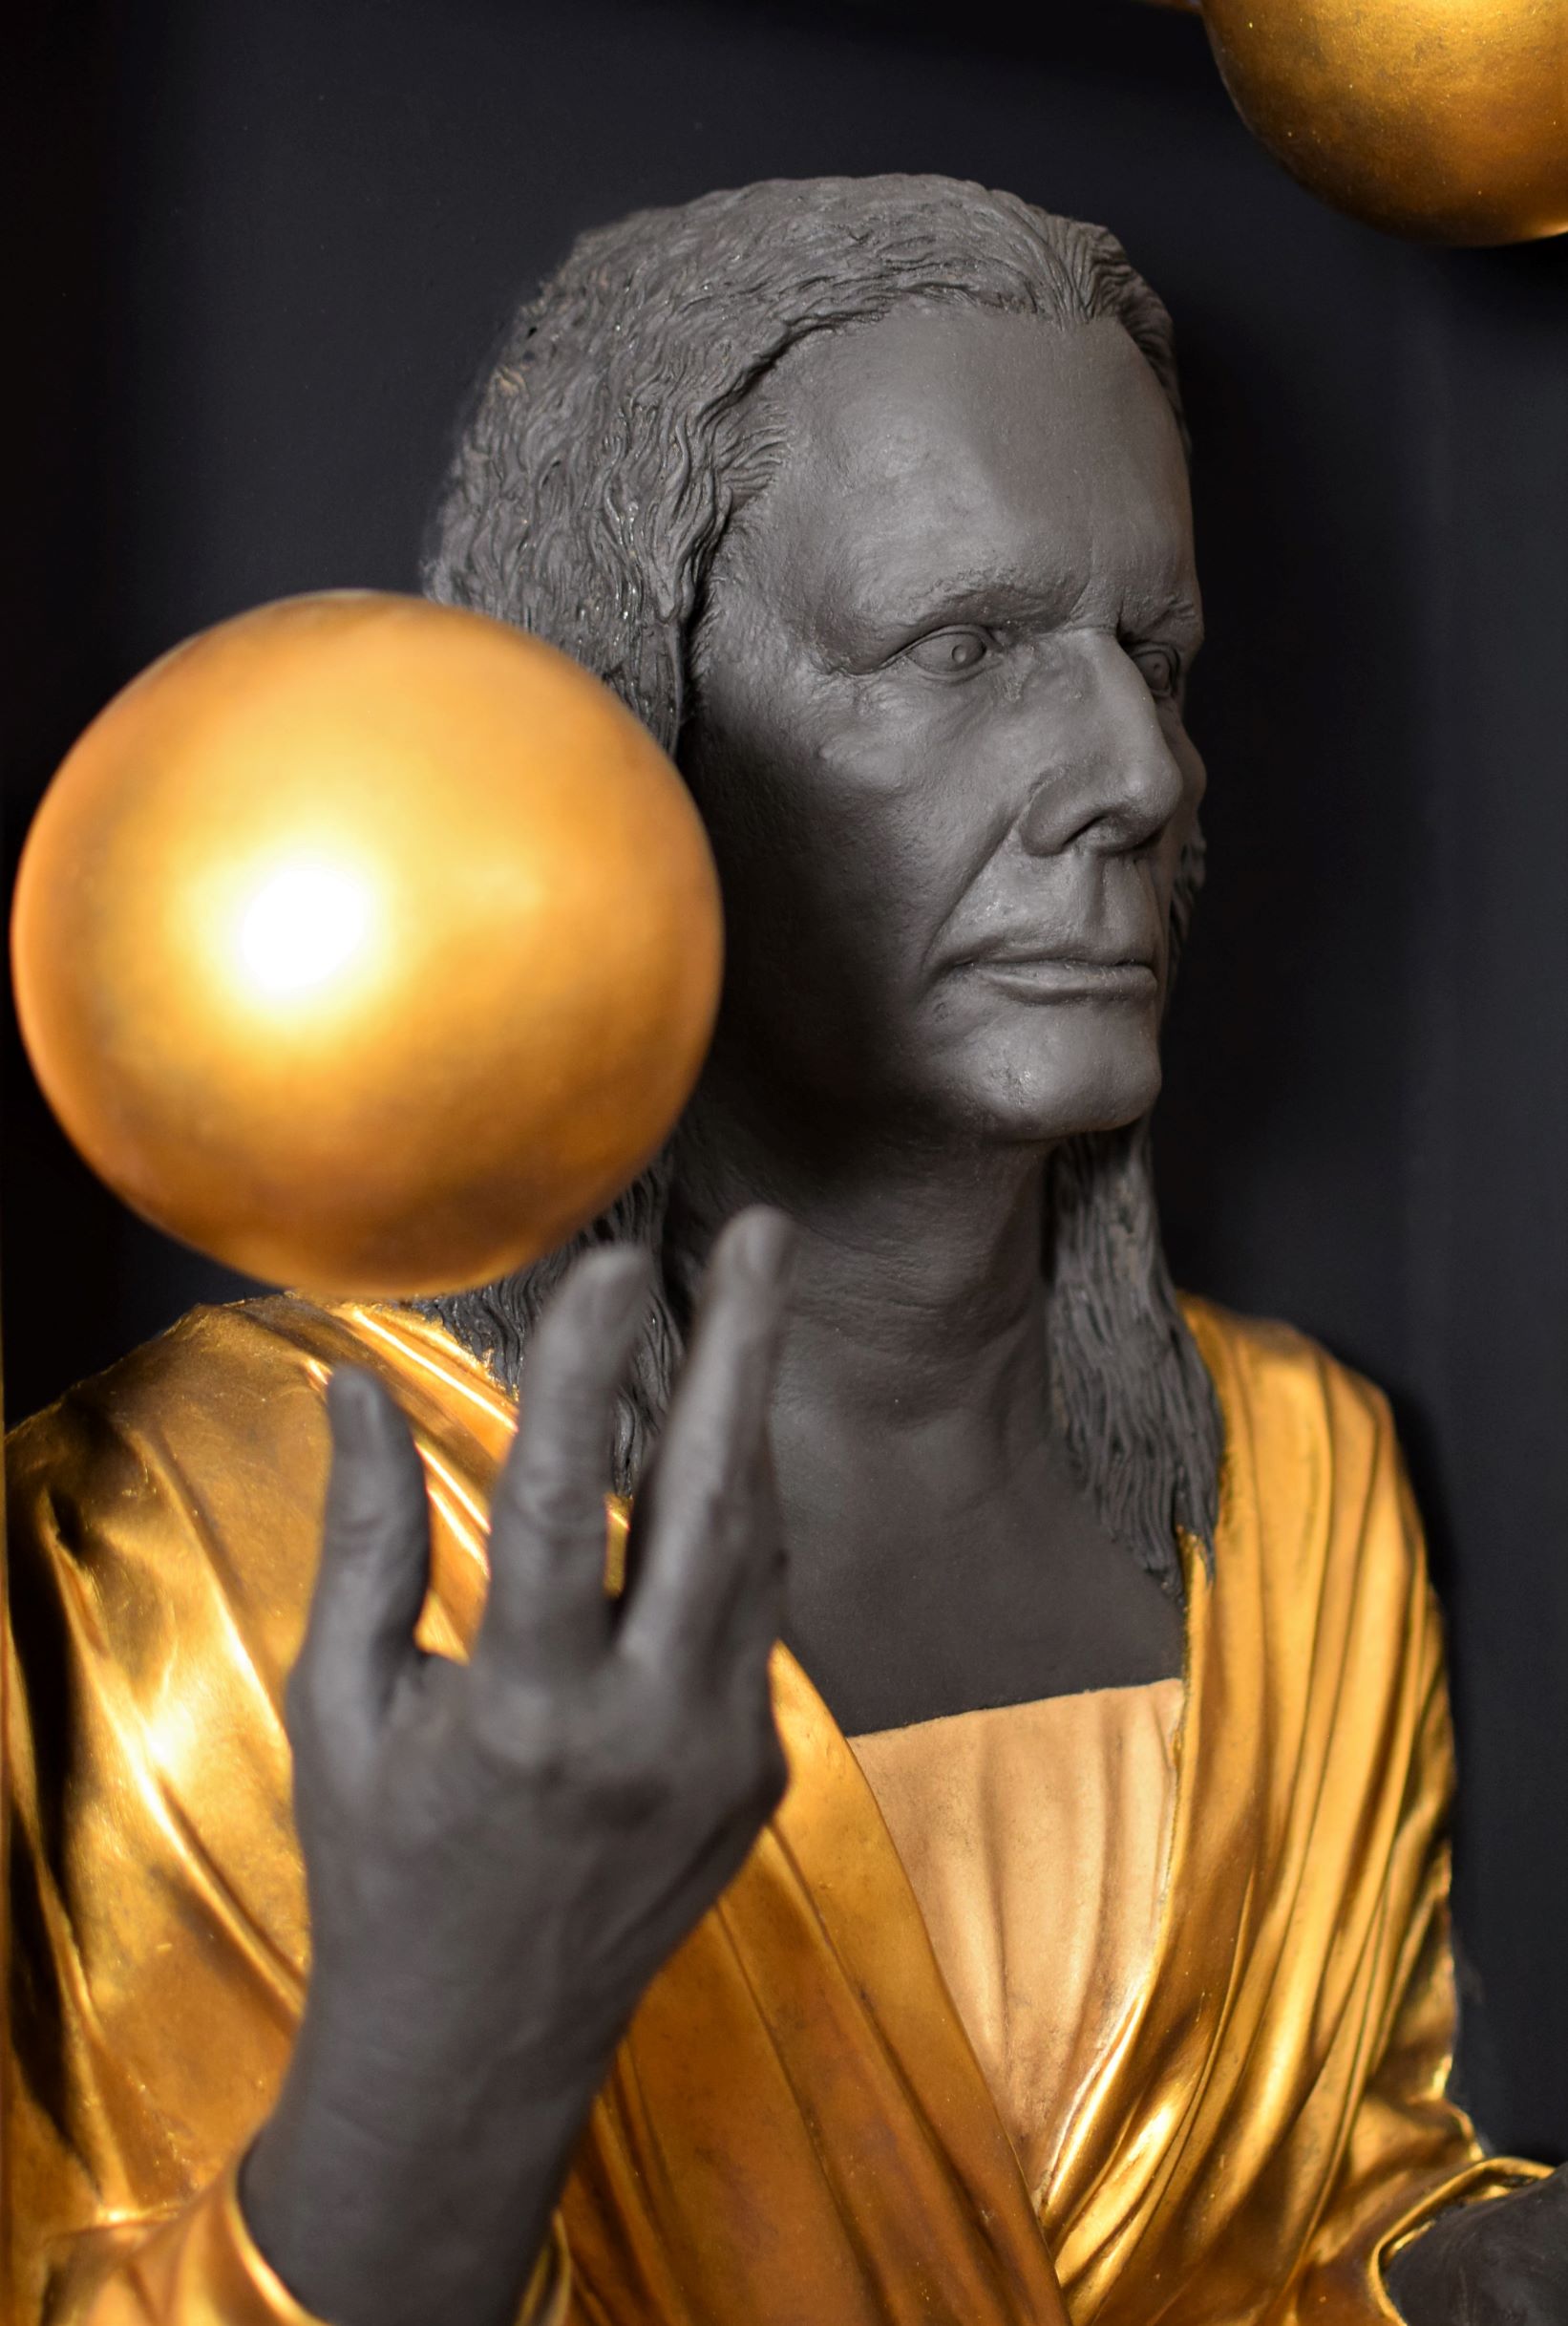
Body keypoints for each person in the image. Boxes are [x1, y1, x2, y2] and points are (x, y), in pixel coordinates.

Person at [6, 176, 1565, 2326]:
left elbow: (1333, 2229)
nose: (1134, 773)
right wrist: (434, 2079)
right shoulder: (187, 1549)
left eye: (1155, 656)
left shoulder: (1295, 1480)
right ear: (623, 730)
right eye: (960, 647)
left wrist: (1486, 2269)